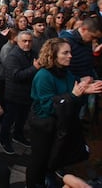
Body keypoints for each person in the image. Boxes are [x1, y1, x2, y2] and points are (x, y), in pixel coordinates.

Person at [26, 38, 102, 187]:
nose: (70, 56)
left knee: (52, 159)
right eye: (65, 53)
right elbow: (49, 106)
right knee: (38, 162)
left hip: (58, 126)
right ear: (53, 55)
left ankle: (49, 177)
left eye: (70, 52)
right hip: (43, 126)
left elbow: (73, 94)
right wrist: (74, 95)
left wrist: (84, 90)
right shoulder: (43, 76)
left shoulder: (66, 73)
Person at [0, 31, 40, 154]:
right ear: (18, 41)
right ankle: (4, 140)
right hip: (14, 95)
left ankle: (18, 135)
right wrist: (34, 68)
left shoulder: (33, 53)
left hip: (27, 94)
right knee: (9, 119)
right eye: (24, 41)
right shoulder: (13, 56)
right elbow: (16, 76)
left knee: (22, 118)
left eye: (29, 41)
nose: (27, 44)